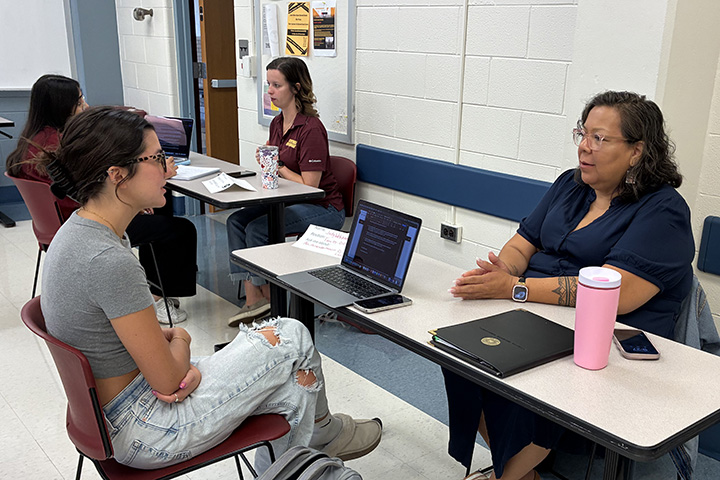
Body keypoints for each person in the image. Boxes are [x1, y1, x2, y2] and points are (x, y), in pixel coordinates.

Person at [39, 106, 382, 471]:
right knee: (293, 337)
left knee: (290, 381)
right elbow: (170, 379)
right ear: (116, 175)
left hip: (113, 413)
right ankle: (322, 436)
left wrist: (170, 353)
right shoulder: (109, 259)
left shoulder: (78, 233)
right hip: (147, 425)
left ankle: (302, 454)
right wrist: (182, 341)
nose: (169, 168)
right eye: (157, 158)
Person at [444, 91, 695, 480]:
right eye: (583, 133)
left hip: (607, 340)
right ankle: (520, 473)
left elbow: (619, 292)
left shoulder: (663, 210)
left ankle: (505, 475)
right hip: (537, 318)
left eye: (600, 138)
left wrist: (515, 288)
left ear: (637, 151)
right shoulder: (570, 185)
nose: (585, 147)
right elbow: (521, 244)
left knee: (545, 390)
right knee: (460, 360)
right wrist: (501, 272)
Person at [6, 74, 197, 324]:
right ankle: (160, 297)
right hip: (79, 220)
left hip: (55, 226)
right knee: (177, 228)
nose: (85, 107)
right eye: (79, 102)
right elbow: (86, 195)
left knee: (157, 212)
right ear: (61, 106)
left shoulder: (34, 141)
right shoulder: (57, 148)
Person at [226, 57, 345, 326]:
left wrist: (278, 166)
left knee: (258, 229)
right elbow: (278, 169)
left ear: (296, 88)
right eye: (269, 84)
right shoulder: (277, 124)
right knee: (236, 221)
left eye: (276, 85)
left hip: (324, 208)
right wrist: (267, 162)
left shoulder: (311, 129)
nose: (269, 91)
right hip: (289, 200)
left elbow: (310, 186)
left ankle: (270, 298)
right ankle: (253, 296)